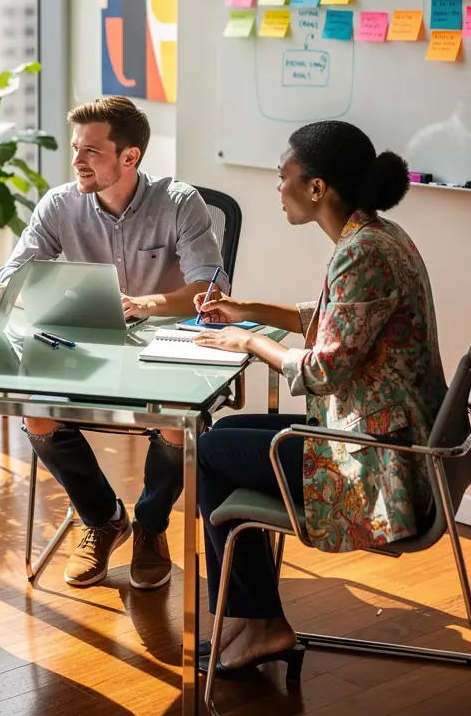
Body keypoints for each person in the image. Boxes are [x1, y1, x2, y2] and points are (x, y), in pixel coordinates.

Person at [191, 120, 446, 680]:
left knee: (207, 452)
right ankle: (253, 620)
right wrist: (247, 310)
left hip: (377, 464)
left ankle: (256, 623)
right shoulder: (376, 237)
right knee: (215, 442)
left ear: (317, 189)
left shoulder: (364, 252)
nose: (275, 187)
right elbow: (337, 321)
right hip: (389, 438)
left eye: (284, 176)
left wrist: (248, 341)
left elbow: (326, 368)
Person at [0, 96, 226, 591]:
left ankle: (151, 524)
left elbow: (210, 292)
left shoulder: (180, 202)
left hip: (164, 352)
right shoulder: (59, 204)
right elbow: (12, 277)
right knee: (36, 412)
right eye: (76, 149)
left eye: (92, 152)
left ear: (130, 157)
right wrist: (54, 294)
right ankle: (102, 519)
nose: (77, 161)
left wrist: (145, 303)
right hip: (84, 355)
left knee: (175, 421)